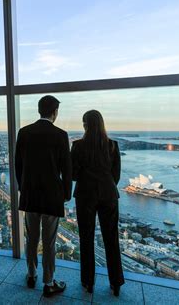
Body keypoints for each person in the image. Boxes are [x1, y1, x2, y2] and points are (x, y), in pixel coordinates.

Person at [15, 95, 72, 298]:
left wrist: (23, 188)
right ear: (55, 112)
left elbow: (18, 165)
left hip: (30, 195)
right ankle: (49, 282)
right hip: (51, 196)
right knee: (49, 241)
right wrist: (66, 194)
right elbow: (67, 169)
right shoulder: (61, 135)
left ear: (39, 110)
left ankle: (31, 274)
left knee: (31, 238)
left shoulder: (24, 132)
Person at [71, 110, 124, 296]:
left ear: (85, 124)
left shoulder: (78, 146)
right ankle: (116, 283)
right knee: (111, 239)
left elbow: (73, 175)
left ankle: (88, 282)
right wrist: (106, 186)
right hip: (109, 194)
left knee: (86, 238)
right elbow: (116, 175)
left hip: (85, 195)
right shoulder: (112, 145)